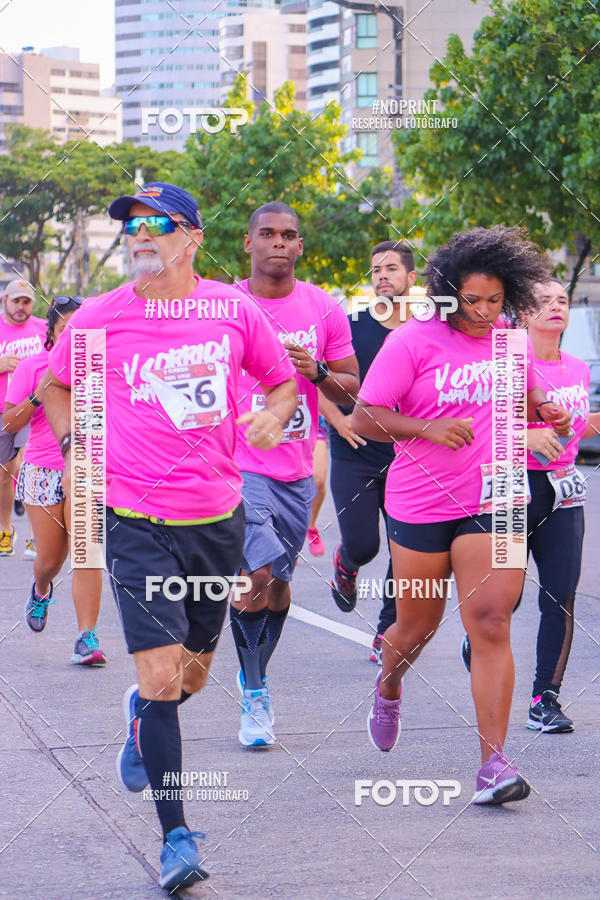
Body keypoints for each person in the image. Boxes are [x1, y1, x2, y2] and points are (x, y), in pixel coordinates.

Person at [42, 182, 297, 891]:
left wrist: (275, 416)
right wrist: (74, 442)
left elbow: (281, 382)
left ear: (194, 237)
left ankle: (141, 719)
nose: (143, 235)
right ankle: (175, 836)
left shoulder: (232, 309)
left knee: (191, 677)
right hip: (135, 520)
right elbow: (55, 385)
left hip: (216, 519)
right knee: (159, 675)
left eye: (159, 223)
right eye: (133, 226)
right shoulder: (101, 316)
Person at [353, 226, 571, 805]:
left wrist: (547, 409)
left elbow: (527, 399)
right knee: (416, 627)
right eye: (470, 300)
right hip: (422, 502)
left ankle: (493, 764)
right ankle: (390, 684)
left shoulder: (510, 342)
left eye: (495, 300)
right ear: (447, 293)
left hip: (498, 498)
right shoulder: (412, 341)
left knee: (492, 621)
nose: (483, 311)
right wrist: (426, 427)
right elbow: (363, 417)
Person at [232, 201, 359, 748]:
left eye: (288, 235)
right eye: (267, 234)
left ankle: (255, 674)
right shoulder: (225, 304)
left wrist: (319, 371)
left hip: (295, 469)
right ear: (249, 243)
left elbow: (352, 386)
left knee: (279, 585)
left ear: (300, 245)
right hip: (237, 465)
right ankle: (255, 693)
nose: (278, 242)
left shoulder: (323, 308)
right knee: (255, 575)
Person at [461, 279, 600, 733]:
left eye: (562, 300)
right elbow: (483, 428)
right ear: (522, 313)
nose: (556, 306)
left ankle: (545, 699)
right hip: (510, 486)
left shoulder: (577, 368)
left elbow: (576, 427)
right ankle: (479, 639)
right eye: (544, 301)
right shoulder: (505, 366)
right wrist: (525, 438)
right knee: (506, 596)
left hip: (564, 490)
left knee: (560, 594)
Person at [2, 296, 106, 664]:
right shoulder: (34, 366)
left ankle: (86, 637)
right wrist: (39, 393)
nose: (76, 337)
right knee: (48, 561)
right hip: (42, 471)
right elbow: (9, 423)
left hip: (86, 469)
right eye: (68, 330)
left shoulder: (100, 368)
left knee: (87, 553)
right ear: (53, 333)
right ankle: (41, 589)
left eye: (83, 331)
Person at [329, 241, 416, 664]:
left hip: (408, 457)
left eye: (392, 268)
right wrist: (338, 419)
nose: (382, 275)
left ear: (411, 278)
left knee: (406, 550)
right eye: (376, 269)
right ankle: (346, 564)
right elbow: (317, 380)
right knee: (364, 546)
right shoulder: (349, 326)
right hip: (355, 451)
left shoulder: (425, 330)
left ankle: (386, 633)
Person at [0, 280, 46, 556]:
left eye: (26, 301)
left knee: (32, 468)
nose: (21, 306)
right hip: (5, 412)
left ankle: (36, 536)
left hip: (37, 411)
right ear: (4, 301)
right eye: (16, 300)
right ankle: (6, 530)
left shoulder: (44, 329)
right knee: (6, 474)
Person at [306, 408, 329, 556]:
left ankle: (310, 526)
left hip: (311, 414)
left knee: (318, 479)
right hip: (270, 413)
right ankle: (286, 536)